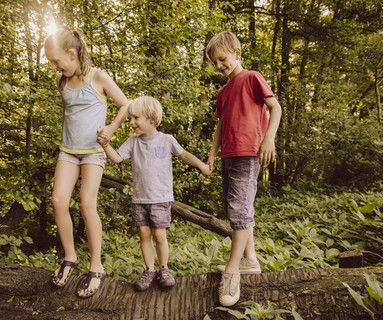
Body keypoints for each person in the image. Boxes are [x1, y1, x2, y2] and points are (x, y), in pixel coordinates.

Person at [44, 29, 129, 298]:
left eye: (56, 62)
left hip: (93, 152)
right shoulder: (62, 82)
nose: (54, 67)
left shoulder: (98, 77)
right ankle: (70, 256)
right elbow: (68, 115)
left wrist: (112, 129)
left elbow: (126, 105)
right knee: (58, 200)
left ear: (72, 54)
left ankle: (96, 265)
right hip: (68, 152)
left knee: (86, 203)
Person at [97, 96, 212, 291]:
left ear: (151, 118)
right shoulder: (133, 142)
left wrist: (201, 165)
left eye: (136, 118)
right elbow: (117, 158)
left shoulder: (167, 140)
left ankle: (164, 268)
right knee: (143, 233)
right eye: (130, 118)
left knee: (159, 234)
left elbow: (184, 155)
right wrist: (106, 144)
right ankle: (150, 270)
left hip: (160, 198)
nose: (131, 122)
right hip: (140, 198)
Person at [206, 31, 282, 306]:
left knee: (240, 210)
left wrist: (268, 138)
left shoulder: (252, 77)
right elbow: (220, 123)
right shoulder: (223, 91)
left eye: (222, 59)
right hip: (229, 154)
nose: (219, 66)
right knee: (234, 209)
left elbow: (275, 108)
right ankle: (250, 260)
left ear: (237, 53)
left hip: (249, 152)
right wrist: (213, 153)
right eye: (214, 63)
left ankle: (232, 270)